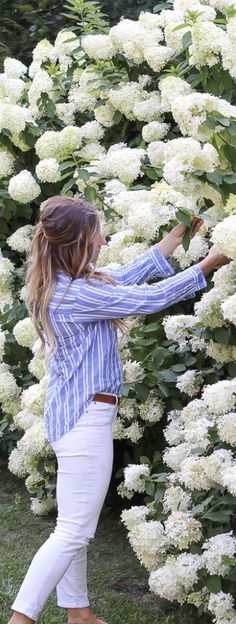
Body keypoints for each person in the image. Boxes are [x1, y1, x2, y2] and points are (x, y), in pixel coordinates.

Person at [7, 195, 229, 624]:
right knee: (73, 531)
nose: (104, 240)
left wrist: (176, 237)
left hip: (75, 418)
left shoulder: (65, 283)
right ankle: (22, 619)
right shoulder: (72, 294)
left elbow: (127, 276)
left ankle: (80, 616)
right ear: (76, 244)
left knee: (72, 526)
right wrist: (209, 264)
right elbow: (144, 299)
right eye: (96, 236)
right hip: (85, 420)